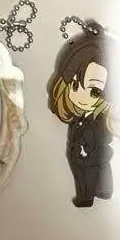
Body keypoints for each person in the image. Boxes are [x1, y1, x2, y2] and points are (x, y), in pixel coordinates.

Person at [48, 27, 113, 207]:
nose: (82, 97)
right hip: (77, 154)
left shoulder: (99, 120)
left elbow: (102, 140)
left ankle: (90, 197)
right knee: (82, 174)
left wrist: (89, 150)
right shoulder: (77, 118)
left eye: (94, 91)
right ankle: (96, 192)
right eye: (75, 85)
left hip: (92, 156)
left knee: (92, 175)